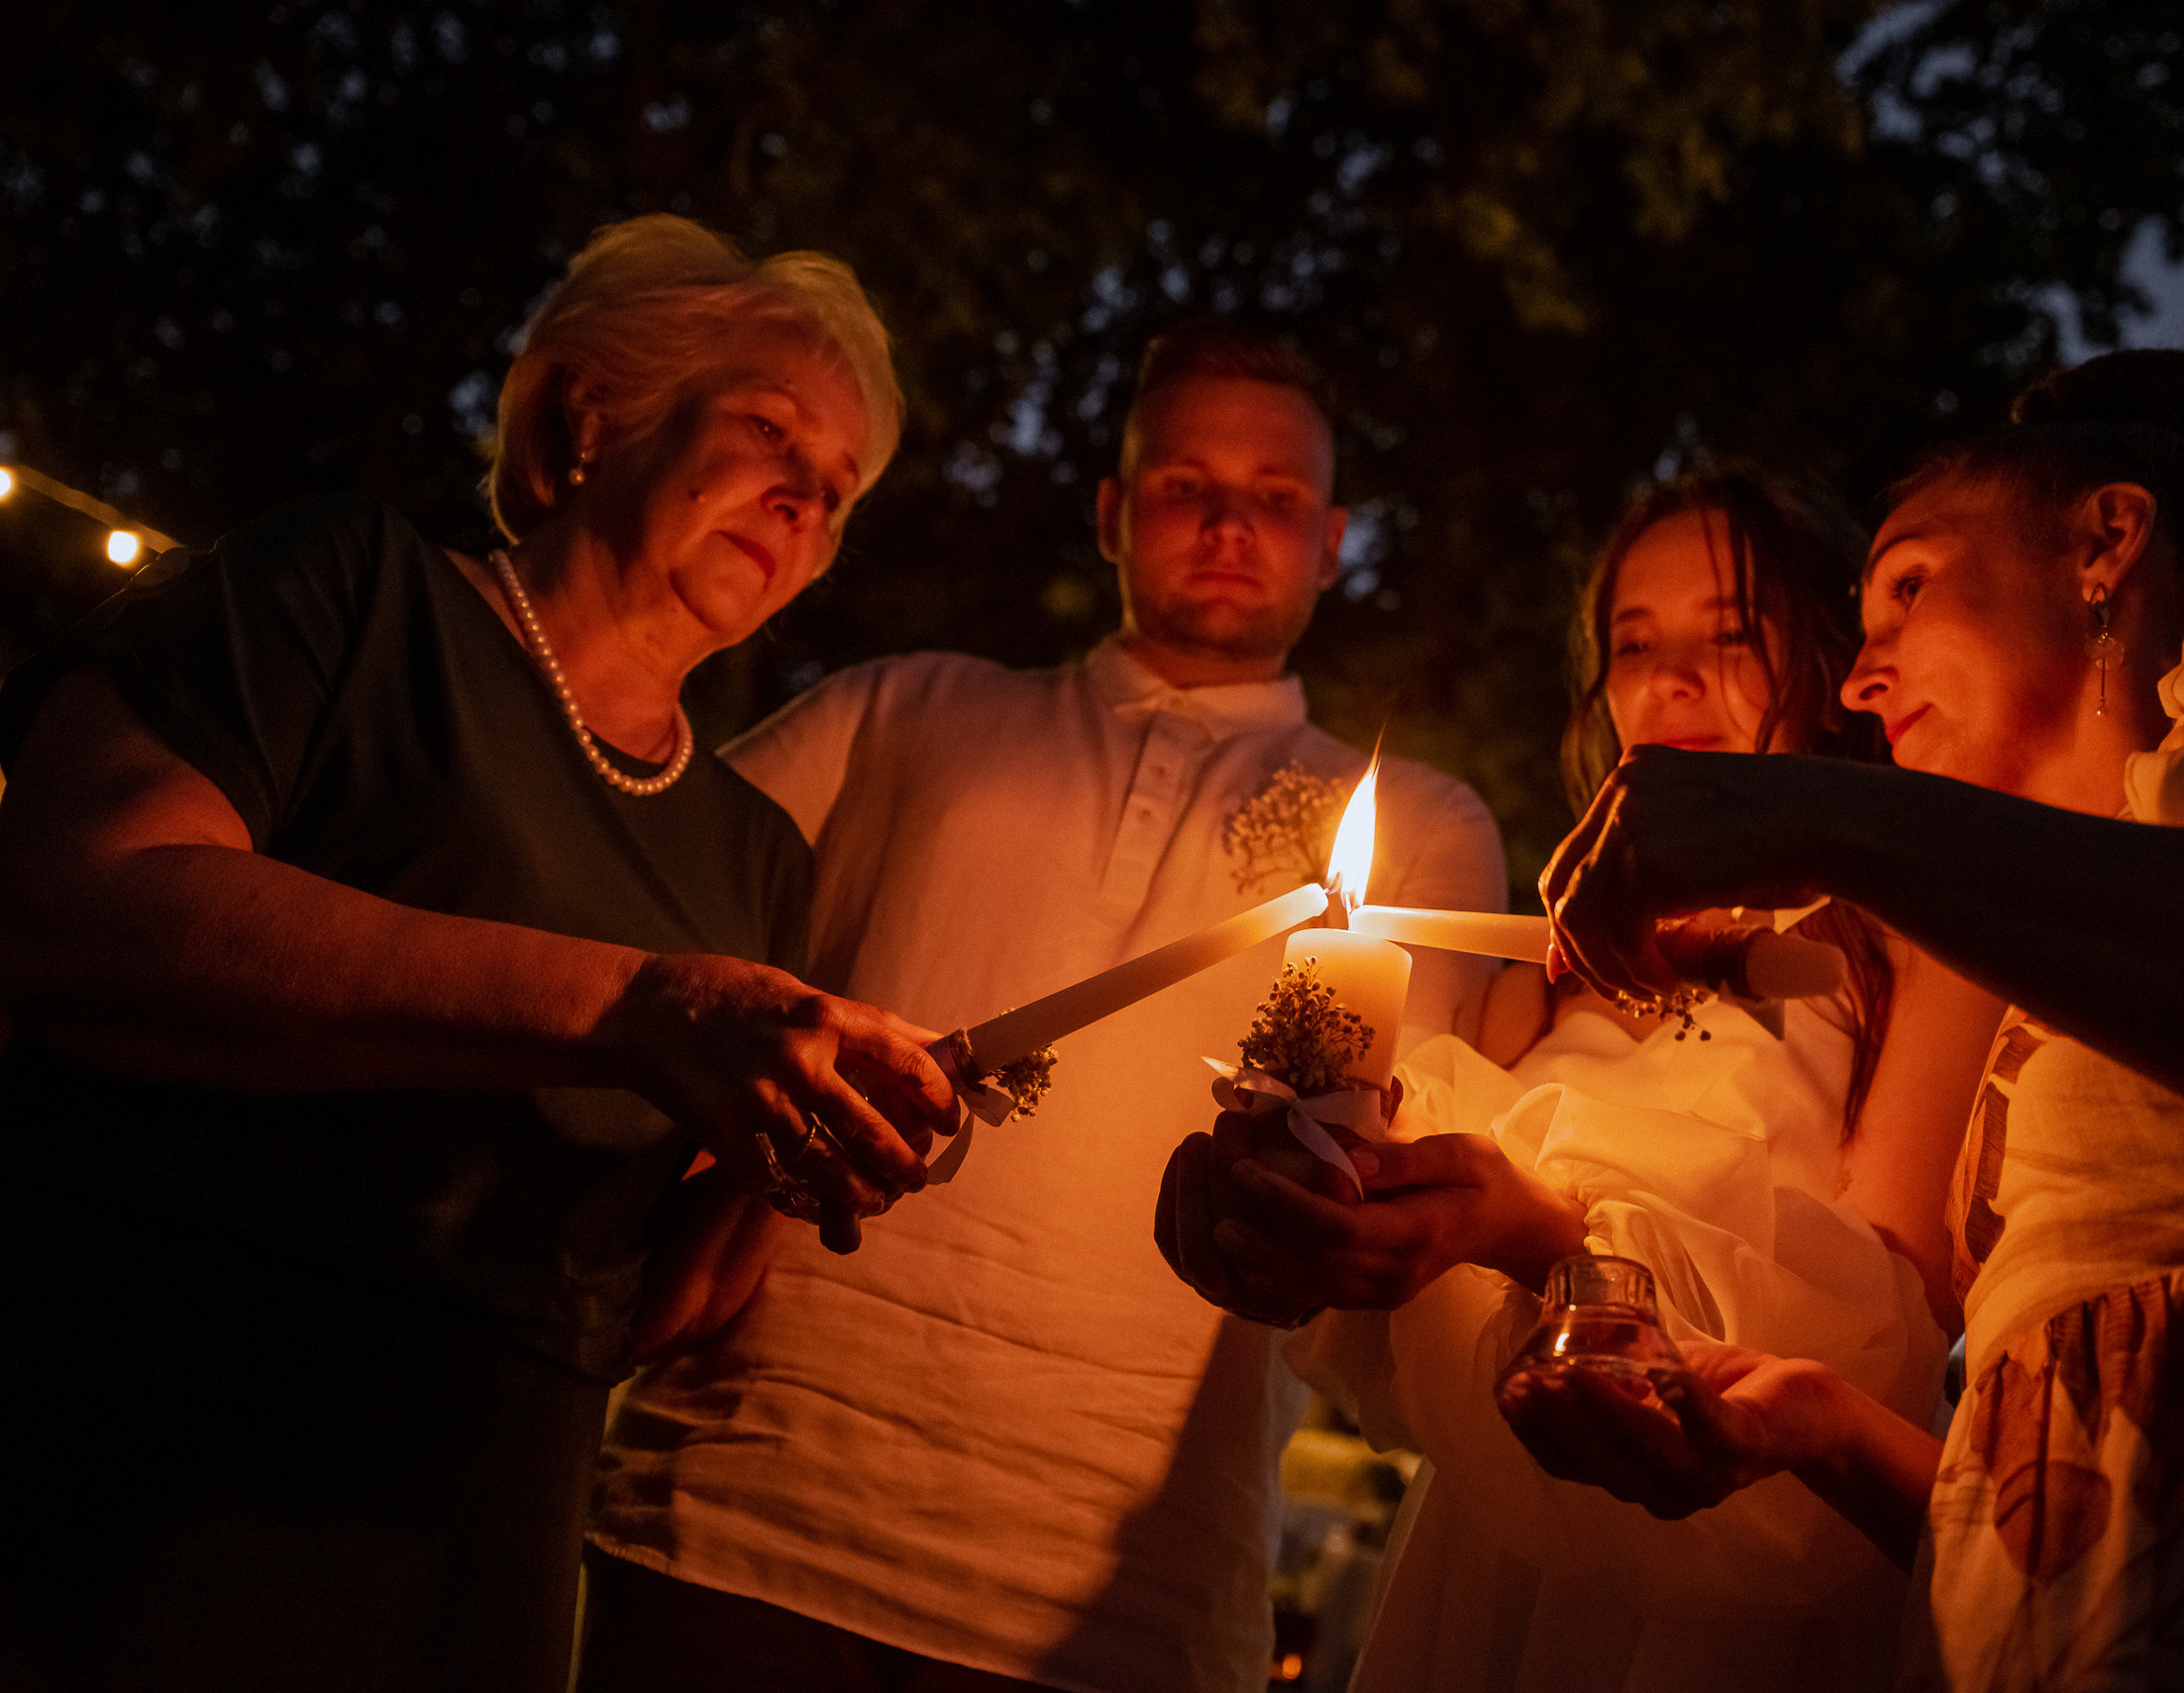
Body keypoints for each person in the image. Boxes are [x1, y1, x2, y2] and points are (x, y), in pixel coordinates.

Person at [0, 214, 955, 1693]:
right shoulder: (356, 593)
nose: (802, 503)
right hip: (138, 1454)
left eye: (837, 494)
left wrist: (808, 1167)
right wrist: (633, 1004)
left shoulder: (754, 855)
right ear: (589, 410)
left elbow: (643, 1301)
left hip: (466, 1554)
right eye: (770, 432)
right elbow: (76, 905)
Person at [1524, 349, 2184, 1688]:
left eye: (1907, 588)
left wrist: (1829, 815)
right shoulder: (2035, 1003)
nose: (1856, 682)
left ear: (2106, 542)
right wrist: (1822, 1429)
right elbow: (2076, 1477)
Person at [580, 323, 1508, 1693]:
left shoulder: (1423, 832)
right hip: (732, 1515)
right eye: (1187, 484)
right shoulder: (906, 711)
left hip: (1126, 1607)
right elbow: (619, 906)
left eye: (1275, 498)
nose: (1229, 524)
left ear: (1332, 541)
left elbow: (1395, 1187)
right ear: (1113, 513)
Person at [1156, 464, 2001, 1691]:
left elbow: (1890, 1325)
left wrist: (1546, 1232)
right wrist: (1312, 1204)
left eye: (1733, 635)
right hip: (1492, 1560)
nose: (1669, 682)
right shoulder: (1535, 982)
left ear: (1828, 667)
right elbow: (1406, 1303)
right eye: (1632, 641)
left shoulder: (1904, 945)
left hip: (1750, 1592)